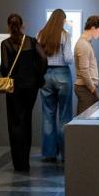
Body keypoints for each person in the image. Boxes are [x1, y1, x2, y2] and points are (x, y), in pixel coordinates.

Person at [0, 13, 47, 171]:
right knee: (27, 120)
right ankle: (25, 161)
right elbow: (43, 59)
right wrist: (38, 77)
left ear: (9, 26)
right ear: (22, 25)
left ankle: (18, 163)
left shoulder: (6, 44)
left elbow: (6, 67)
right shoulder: (32, 41)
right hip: (31, 87)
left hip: (14, 87)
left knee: (15, 122)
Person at [37, 9, 74, 161]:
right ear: (62, 20)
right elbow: (68, 58)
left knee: (48, 115)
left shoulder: (41, 34)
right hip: (62, 75)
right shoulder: (65, 35)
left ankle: (49, 153)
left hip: (45, 76)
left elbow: (38, 57)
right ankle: (66, 153)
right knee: (65, 116)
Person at [74, 15, 99, 115]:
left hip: (87, 87)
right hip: (85, 88)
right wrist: (93, 88)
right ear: (93, 28)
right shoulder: (83, 44)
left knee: (87, 120)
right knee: (84, 121)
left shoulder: (86, 43)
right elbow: (84, 70)